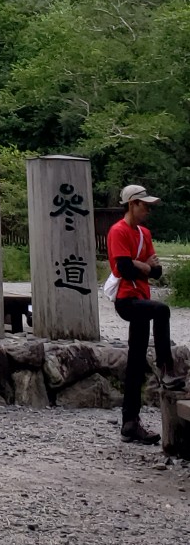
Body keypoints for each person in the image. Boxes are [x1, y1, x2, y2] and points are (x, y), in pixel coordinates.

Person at [107, 183, 185, 444]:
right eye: (145, 205)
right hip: (126, 299)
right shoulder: (118, 231)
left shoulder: (145, 233)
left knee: (136, 361)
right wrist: (142, 266)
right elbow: (125, 269)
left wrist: (141, 266)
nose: (148, 210)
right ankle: (166, 369)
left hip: (141, 298)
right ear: (132, 204)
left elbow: (158, 271)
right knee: (162, 310)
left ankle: (130, 422)